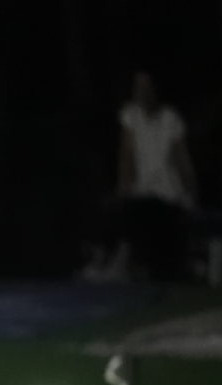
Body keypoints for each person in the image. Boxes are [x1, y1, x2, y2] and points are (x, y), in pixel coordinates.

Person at [84, 70, 198, 281]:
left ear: (156, 89)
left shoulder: (171, 118)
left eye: (146, 87)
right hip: (140, 192)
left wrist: (191, 192)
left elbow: (183, 160)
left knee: (140, 215)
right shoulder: (131, 114)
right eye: (138, 87)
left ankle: (127, 264)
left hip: (167, 194)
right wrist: (123, 187)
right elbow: (126, 156)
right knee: (113, 207)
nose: (141, 92)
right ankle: (103, 261)